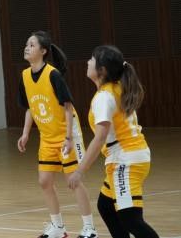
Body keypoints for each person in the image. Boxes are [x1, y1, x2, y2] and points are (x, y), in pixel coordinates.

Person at [67, 46, 159, 238]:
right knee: (106, 206)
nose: (87, 62)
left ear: (102, 70)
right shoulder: (117, 87)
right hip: (129, 156)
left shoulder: (104, 97)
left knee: (130, 219)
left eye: (92, 59)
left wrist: (80, 171)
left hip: (126, 160)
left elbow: (100, 137)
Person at [17, 31, 96, 238]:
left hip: (67, 134)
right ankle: (58, 227)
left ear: (43, 51)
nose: (27, 48)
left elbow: (68, 107)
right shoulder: (24, 76)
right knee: (44, 181)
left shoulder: (53, 75)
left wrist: (69, 138)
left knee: (73, 180)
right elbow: (29, 108)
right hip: (47, 136)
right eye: (26, 44)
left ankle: (89, 228)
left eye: (32, 45)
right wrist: (25, 134)